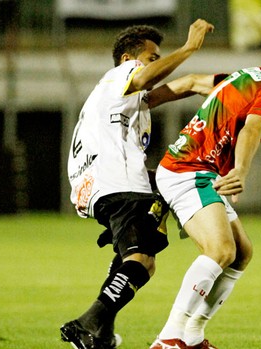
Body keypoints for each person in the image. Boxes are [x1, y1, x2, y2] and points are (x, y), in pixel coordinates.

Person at [150, 29, 261, 349]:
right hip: (189, 168)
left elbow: (192, 81)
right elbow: (252, 126)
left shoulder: (251, 75)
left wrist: (145, 99)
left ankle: (192, 336)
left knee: (241, 254)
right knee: (221, 251)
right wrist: (241, 171)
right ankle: (169, 338)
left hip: (197, 168)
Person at [60, 19, 223, 349]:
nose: (156, 63)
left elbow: (183, 85)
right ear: (128, 60)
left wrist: (233, 84)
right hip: (116, 183)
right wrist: (189, 48)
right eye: (153, 57)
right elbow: (147, 77)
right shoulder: (119, 76)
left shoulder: (127, 101)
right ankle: (87, 324)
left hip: (103, 185)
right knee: (142, 262)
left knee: (132, 259)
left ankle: (100, 334)